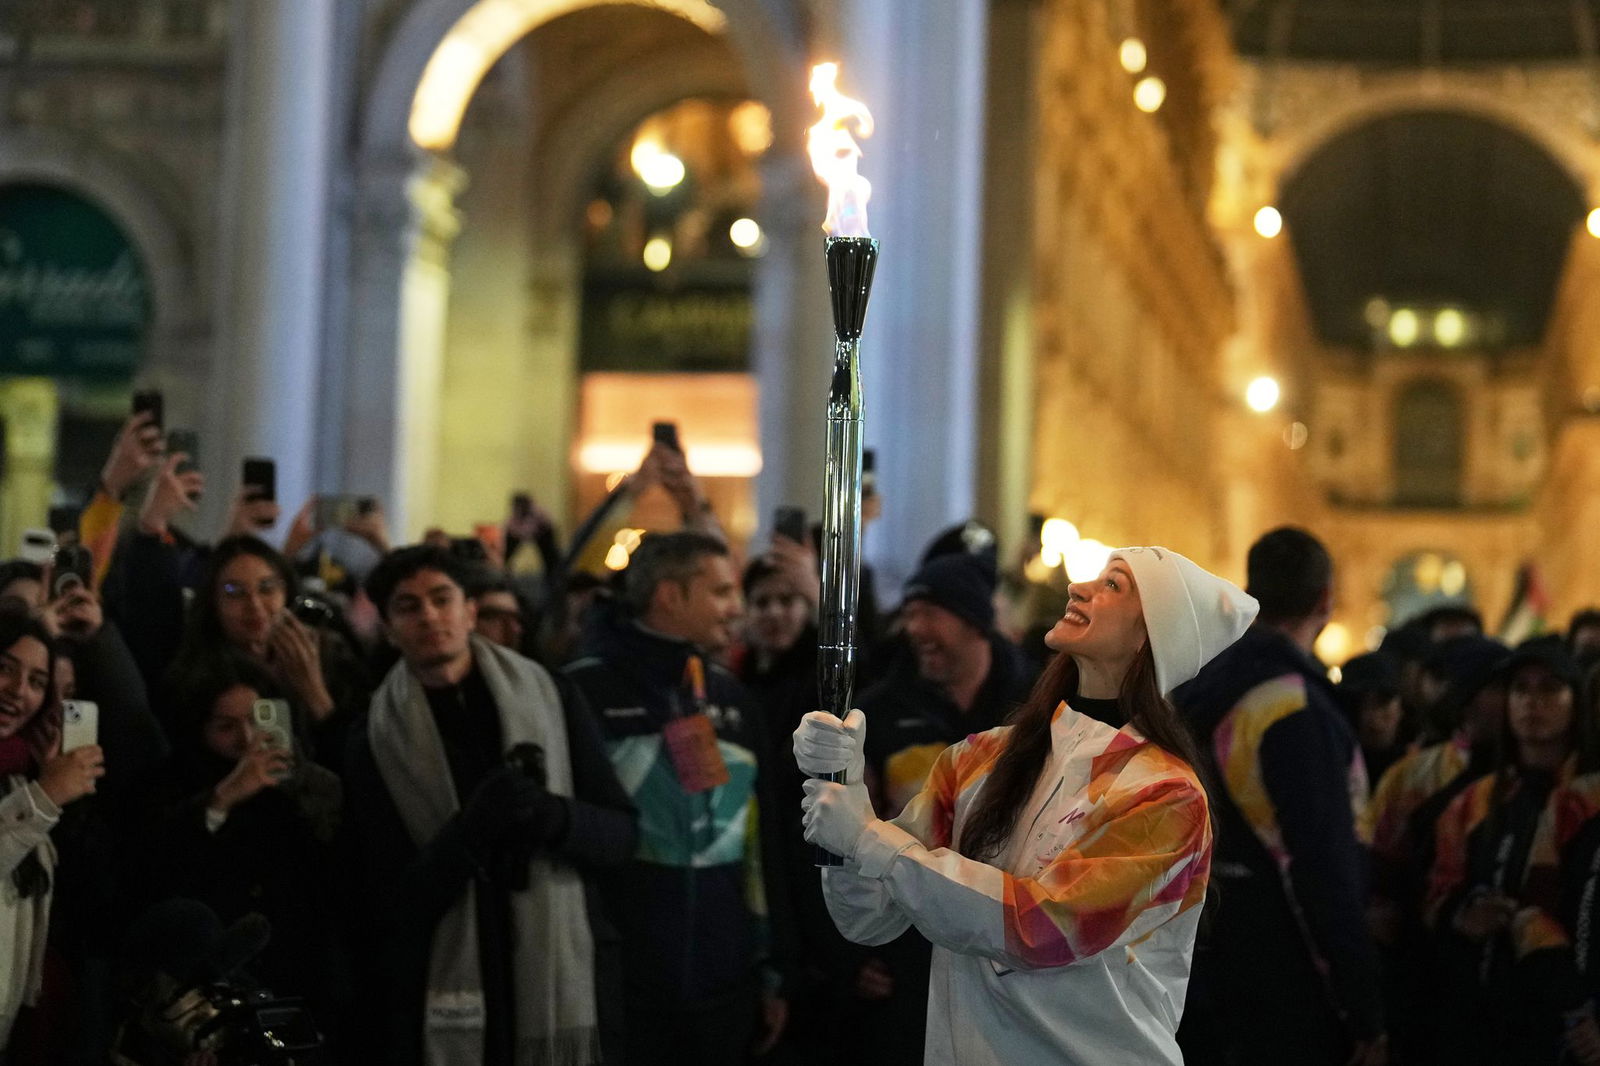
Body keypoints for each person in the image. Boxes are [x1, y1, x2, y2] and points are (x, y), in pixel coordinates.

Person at [796, 546, 1257, 1065]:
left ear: (1150, 636)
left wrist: (867, 837)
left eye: (1113, 585)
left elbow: (1042, 929)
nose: (1077, 587)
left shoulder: (1163, 794)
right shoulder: (979, 758)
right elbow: (868, 918)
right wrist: (843, 788)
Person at [342, 545, 636, 1066]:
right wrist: (469, 832)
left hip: (557, 959)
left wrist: (552, 816)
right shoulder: (375, 738)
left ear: (470, 610)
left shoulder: (549, 695)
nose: (429, 616)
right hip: (448, 975)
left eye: (442, 599)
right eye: (409, 606)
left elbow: (622, 834)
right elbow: (387, 896)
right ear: (388, 629)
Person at [564, 531, 794, 1065]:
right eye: (721, 592)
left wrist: (772, 965)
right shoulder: (581, 690)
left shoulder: (729, 695)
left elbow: (760, 844)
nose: (736, 609)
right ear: (670, 595)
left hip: (725, 985)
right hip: (618, 984)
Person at [1175, 527, 1385, 1066]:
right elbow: (1321, 865)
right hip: (1284, 983)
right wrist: (1361, 1006)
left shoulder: (1192, 689)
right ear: (1325, 600)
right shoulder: (1293, 709)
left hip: (1194, 963)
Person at [844, 550, 1039, 1066]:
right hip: (910, 944)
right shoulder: (879, 712)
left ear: (973, 620)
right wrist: (853, 952)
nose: (915, 629)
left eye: (930, 613)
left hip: (1012, 939)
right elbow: (850, 835)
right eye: (910, 614)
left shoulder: (1037, 707)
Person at [1426, 638, 1600, 1065]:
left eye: (1549, 688)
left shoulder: (1588, 801)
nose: (1532, 703)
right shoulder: (1474, 803)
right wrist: (1460, 913)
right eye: (1520, 689)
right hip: (1487, 1021)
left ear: (1576, 701)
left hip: (1572, 1025)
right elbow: (1435, 889)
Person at [0, 615, 105, 1046]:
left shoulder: (17, 775)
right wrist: (44, 797)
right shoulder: (32, 793)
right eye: (5, 668)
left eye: (36, 681)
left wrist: (51, 792)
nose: (18, 690)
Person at [1334, 651, 1406, 786]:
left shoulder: (1419, 768)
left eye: (1382, 703)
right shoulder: (1333, 767)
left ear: (1400, 707)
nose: (1373, 718)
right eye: (1360, 705)